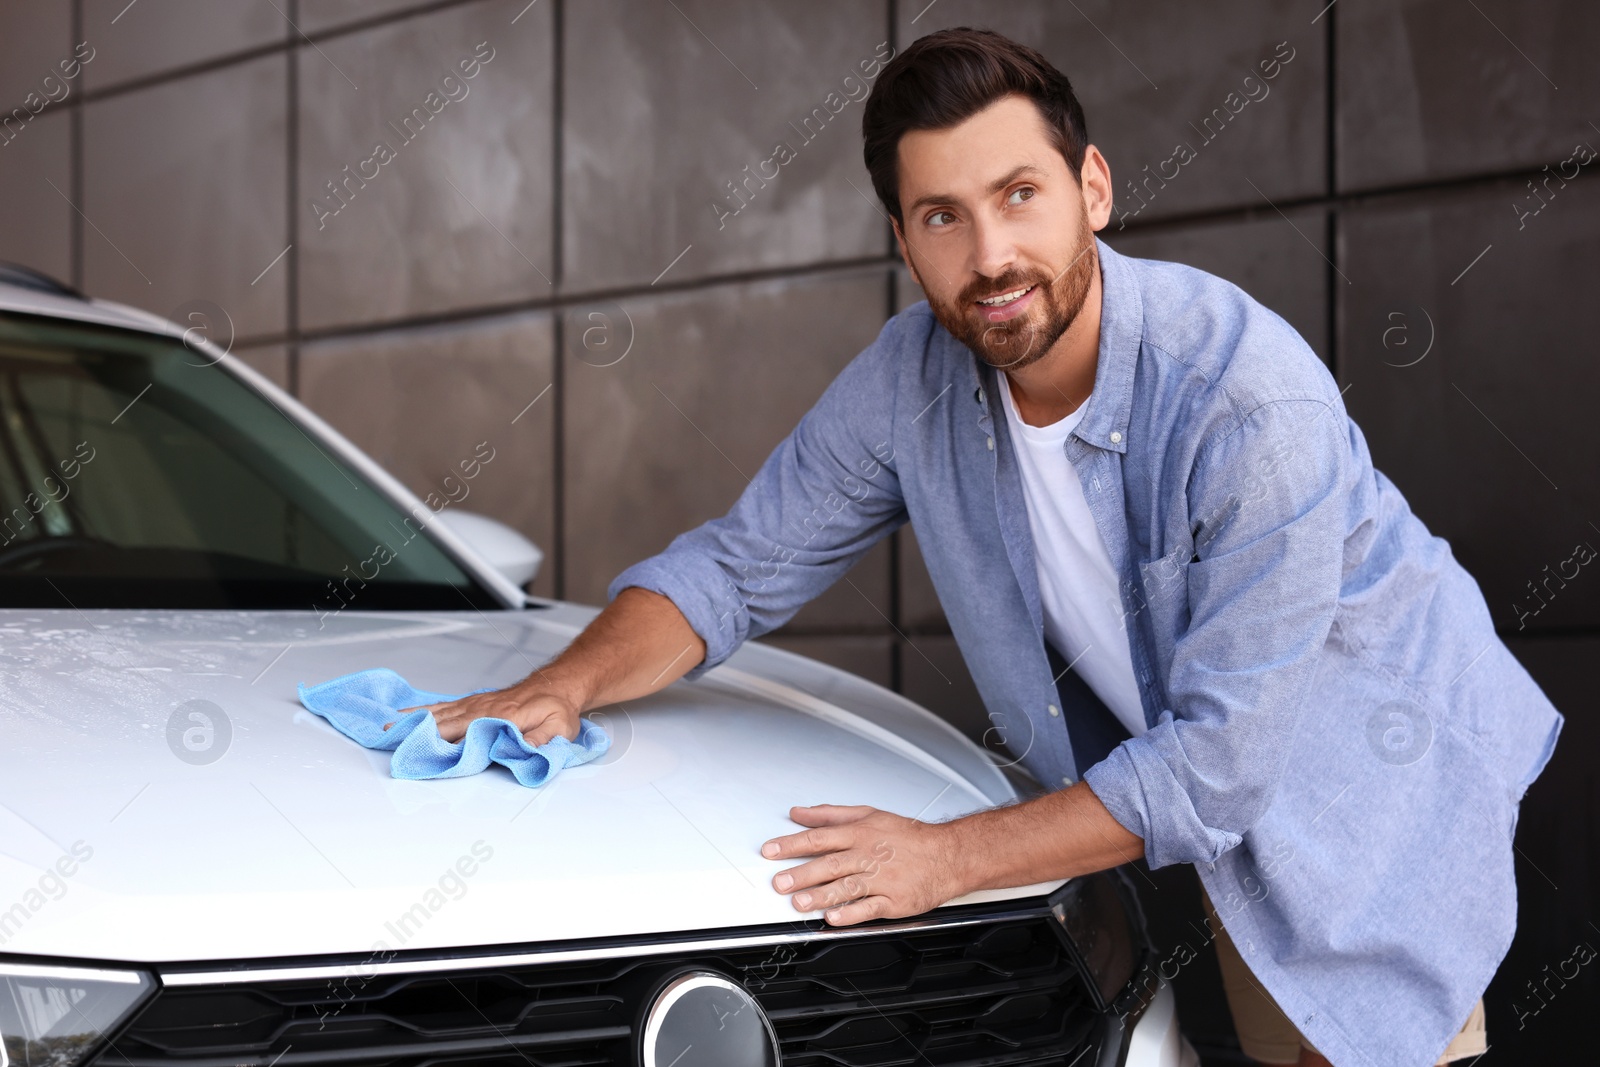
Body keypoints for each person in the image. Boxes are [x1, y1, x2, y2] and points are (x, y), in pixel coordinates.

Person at [391, 27, 1563, 1067]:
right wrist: (559, 684)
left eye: (1018, 195)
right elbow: (740, 563)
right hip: (1222, 794)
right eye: (942, 215)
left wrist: (943, 860)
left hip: (1375, 778)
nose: (989, 255)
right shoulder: (913, 379)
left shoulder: (1243, 401)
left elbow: (1218, 771)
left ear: (1092, 187)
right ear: (904, 237)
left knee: (1355, 1037)